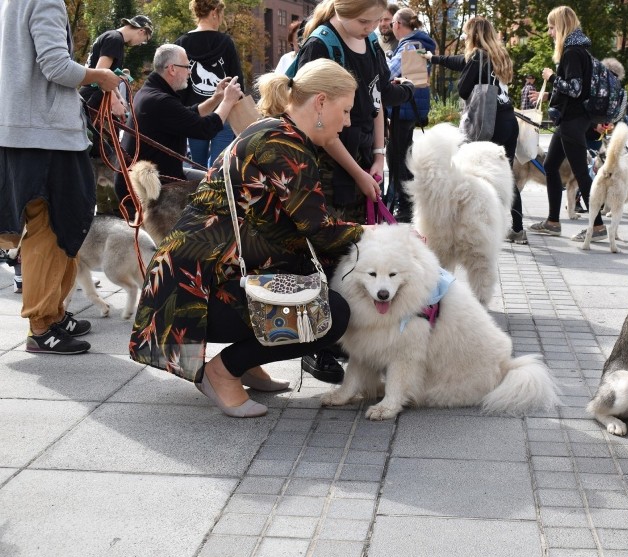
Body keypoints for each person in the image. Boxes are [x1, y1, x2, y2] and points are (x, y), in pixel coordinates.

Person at [129, 59, 365, 418]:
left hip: (187, 284)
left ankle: (246, 363)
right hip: (197, 294)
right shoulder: (285, 148)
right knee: (332, 313)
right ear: (320, 102)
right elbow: (320, 231)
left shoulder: (275, 131)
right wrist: (382, 235)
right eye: (344, 110)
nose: (347, 121)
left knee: (317, 281)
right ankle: (222, 371)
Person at [294, 0, 412, 383]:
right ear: (341, 11)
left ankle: (342, 337)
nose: (371, 28)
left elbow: (376, 103)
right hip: (330, 165)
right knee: (325, 255)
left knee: (354, 255)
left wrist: (378, 158)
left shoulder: (373, 44)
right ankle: (314, 348)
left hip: (363, 162)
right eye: (364, 21)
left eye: (377, 21)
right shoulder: (321, 44)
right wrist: (359, 172)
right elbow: (322, 125)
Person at [0, 0, 122, 354]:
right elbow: (56, 67)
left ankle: (52, 315)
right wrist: (99, 77)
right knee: (54, 227)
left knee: (47, 225)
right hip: (46, 134)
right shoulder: (45, 1)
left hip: (21, 130)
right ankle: (42, 325)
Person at [425, 17, 524, 244]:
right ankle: (517, 229)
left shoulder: (478, 56)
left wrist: (460, 75)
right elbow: (461, 61)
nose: (465, 38)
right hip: (509, 120)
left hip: (488, 122)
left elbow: (463, 89)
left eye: (467, 34)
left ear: (474, 35)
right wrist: (435, 58)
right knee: (507, 176)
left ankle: (486, 227)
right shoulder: (499, 55)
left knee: (482, 175)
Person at [114, 44, 242, 218]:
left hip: (157, 178)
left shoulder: (151, 92)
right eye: (187, 67)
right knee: (219, 190)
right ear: (172, 69)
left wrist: (216, 98)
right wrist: (227, 101)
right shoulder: (158, 100)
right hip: (149, 188)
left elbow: (188, 115)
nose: (190, 72)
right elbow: (204, 129)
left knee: (216, 180)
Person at [526, 6, 604, 243]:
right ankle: (552, 222)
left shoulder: (572, 52)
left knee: (581, 172)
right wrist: (552, 95)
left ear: (561, 26)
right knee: (550, 167)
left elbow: (574, 88)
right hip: (573, 119)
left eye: (551, 27)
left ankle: (598, 227)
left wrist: (551, 77)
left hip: (572, 121)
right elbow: (578, 90)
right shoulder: (582, 51)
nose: (549, 32)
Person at [176, 0, 244, 168]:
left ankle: (197, 194)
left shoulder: (181, 43)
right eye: (220, 15)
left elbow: (178, 85)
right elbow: (237, 80)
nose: (221, 20)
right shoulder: (226, 43)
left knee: (196, 167)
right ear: (214, 12)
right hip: (224, 115)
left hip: (195, 116)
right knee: (218, 168)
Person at [385, 7, 435, 222]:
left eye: (392, 23)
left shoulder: (411, 45)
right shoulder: (419, 43)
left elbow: (389, 73)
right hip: (409, 109)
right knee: (400, 156)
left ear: (398, 24)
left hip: (404, 109)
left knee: (399, 159)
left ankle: (404, 207)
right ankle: (403, 204)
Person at [79, 14, 153, 119]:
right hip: (91, 97)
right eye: (145, 40)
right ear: (141, 31)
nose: (141, 43)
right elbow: (100, 74)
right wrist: (114, 103)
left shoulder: (114, 39)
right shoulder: (115, 40)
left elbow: (109, 75)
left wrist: (119, 97)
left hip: (92, 95)